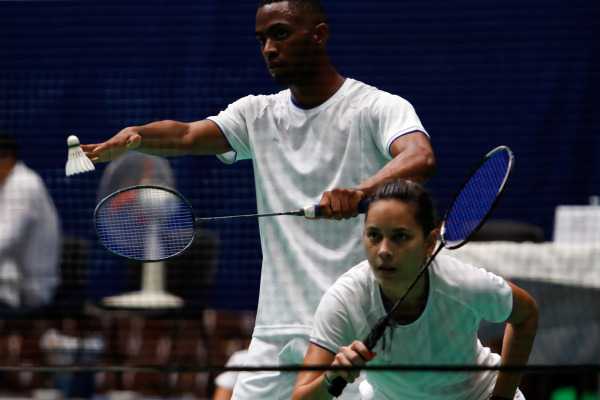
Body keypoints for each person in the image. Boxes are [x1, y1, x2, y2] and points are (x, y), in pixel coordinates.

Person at [82, 1, 435, 398]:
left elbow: (419, 156)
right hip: (275, 332)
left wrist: (361, 193)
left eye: (280, 33)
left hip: (353, 328)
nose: (269, 48)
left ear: (319, 35)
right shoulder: (257, 115)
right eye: (262, 38)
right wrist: (137, 137)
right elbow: (185, 135)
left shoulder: (376, 107)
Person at [292, 180, 538, 400]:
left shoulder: (461, 283)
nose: (384, 250)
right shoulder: (346, 299)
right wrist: (331, 377)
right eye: (374, 236)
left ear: (430, 243)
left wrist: (501, 398)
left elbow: (526, 315)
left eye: (400, 237)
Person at [0, 132, 61, 313]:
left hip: (30, 292)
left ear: (6, 158)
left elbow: (6, 239)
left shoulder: (23, 184)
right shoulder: (6, 183)